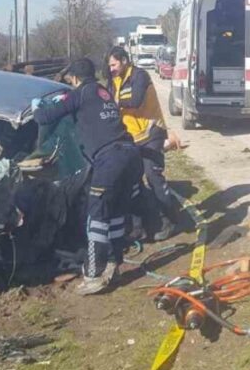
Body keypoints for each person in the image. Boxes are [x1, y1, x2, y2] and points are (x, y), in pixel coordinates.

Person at [32, 57, 143, 295]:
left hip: (110, 158)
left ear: (74, 78)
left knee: (96, 217)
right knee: (113, 215)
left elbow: (43, 118)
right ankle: (113, 264)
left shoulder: (79, 93)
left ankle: (93, 274)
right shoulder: (102, 91)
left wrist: (37, 107)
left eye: (70, 79)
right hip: (130, 155)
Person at [108, 46, 182, 241]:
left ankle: (170, 219)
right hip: (131, 136)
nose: (112, 69)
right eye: (109, 66)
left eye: (114, 64)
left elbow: (136, 100)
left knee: (152, 174)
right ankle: (138, 226)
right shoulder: (114, 80)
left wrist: (114, 104)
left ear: (124, 60)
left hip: (152, 132)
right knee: (132, 179)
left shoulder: (140, 76)